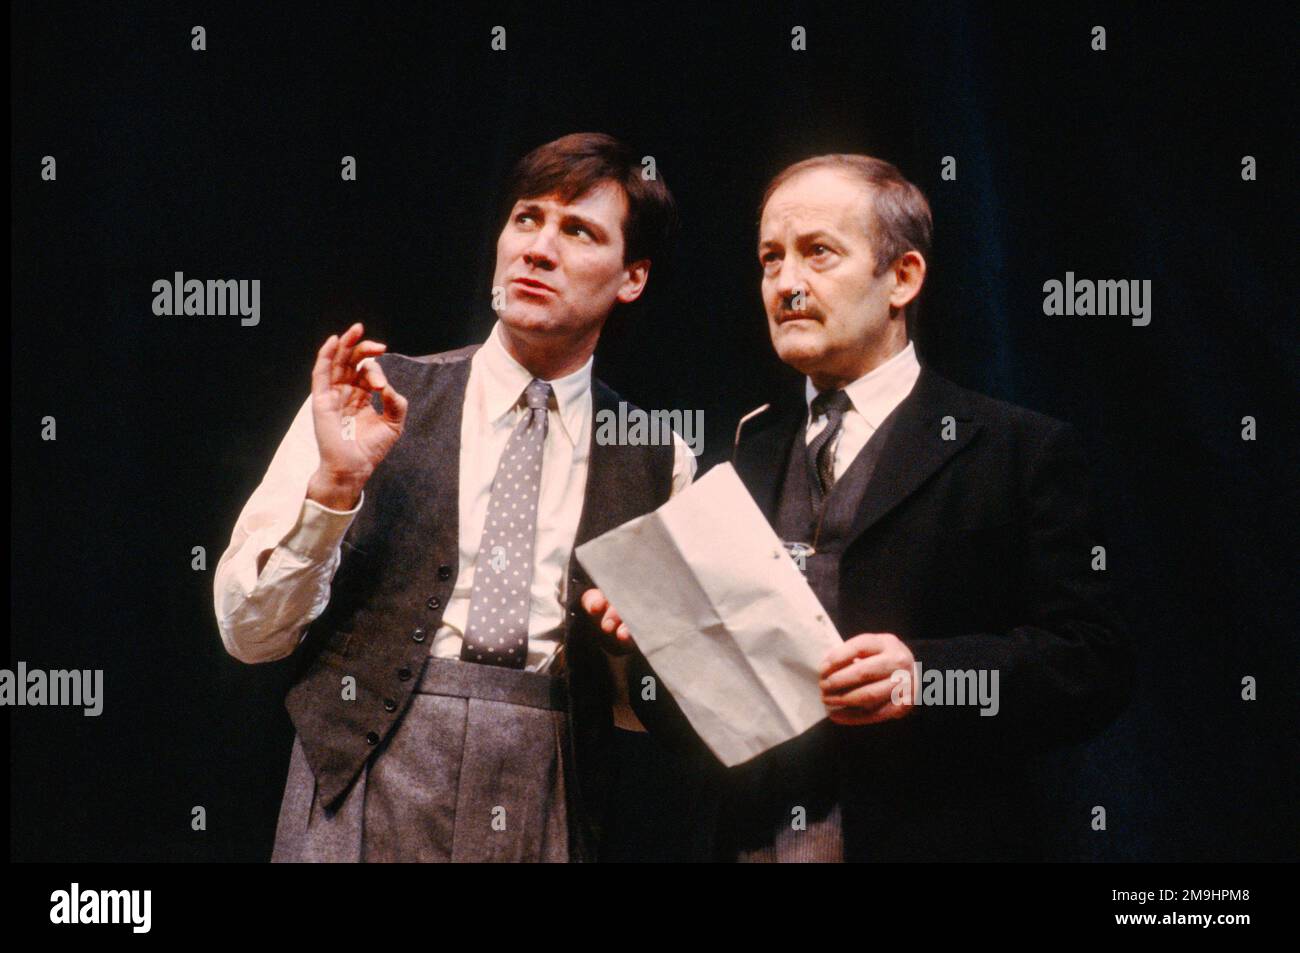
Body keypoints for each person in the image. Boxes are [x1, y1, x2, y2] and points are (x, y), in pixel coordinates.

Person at [584, 153, 1133, 861]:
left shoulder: (1015, 448)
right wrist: (651, 646)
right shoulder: (748, 453)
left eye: (818, 254)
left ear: (902, 277)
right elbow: (699, 733)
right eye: (769, 259)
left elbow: (1094, 666)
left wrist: (929, 678)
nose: (787, 284)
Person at [214, 132, 693, 862]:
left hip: (549, 776)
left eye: (578, 231)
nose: (538, 248)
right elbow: (248, 633)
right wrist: (335, 489)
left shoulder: (660, 456)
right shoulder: (369, 398)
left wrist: (634, 649)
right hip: (364, 767)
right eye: (526, 218)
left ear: (632, 277)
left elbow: (648, 711)